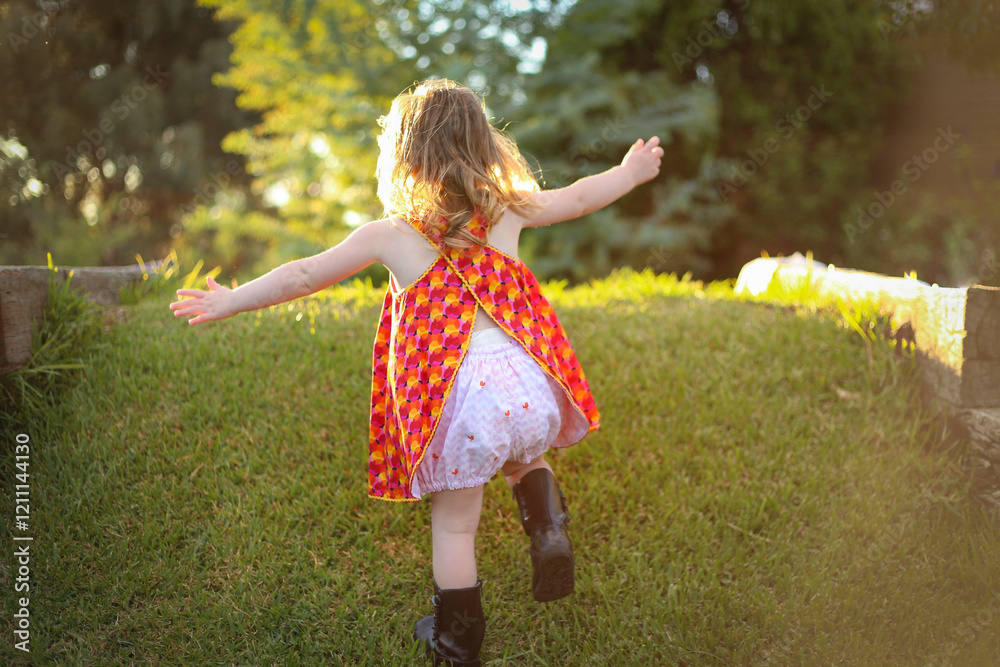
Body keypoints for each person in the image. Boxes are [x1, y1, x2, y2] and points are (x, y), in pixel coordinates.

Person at [170, 78, 663, 666]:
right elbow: (580, 196)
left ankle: (456, 645)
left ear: (403, 156)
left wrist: (231, 300)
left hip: (462, 398)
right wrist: (629, 173)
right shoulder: (507, 208)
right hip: (529, 381)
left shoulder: (391, 235)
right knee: (524, 455)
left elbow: (305, 275)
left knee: (456, 528)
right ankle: (548, 532)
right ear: (485, 145)